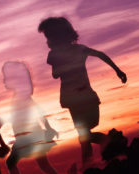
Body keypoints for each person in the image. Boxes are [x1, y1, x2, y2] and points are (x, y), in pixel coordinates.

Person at [37, 16, 127, 166]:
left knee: (84, 136)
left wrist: (61, 63)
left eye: (48, 37)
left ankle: (105, 143)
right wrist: (118, 71)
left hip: (74, 99)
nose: (47, 41)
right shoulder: (80, 49)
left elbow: (55, 75)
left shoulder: (55, 55)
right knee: (84, 136)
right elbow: (100, 54)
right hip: (85, 96)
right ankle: (90, 163)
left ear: (56, 37)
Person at [0, 61, 62, 174]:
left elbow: (36, 112)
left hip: (29, 137)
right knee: (43, 164)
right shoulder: (20, 97)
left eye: (7, 77)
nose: (4, 80)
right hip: (29, 136)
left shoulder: (21, 98)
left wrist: (1, 121)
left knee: (12, 163)